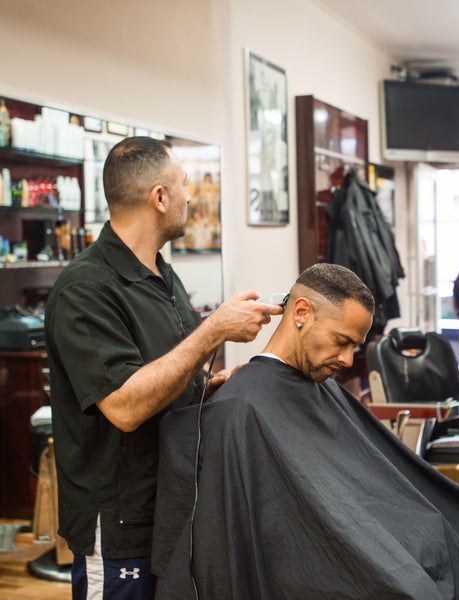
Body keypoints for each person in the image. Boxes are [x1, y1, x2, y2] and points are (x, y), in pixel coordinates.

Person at [151, 263, 459, 600]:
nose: (346, 360)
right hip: (340, 558)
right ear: (300, 313)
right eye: (341, 341)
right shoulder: (238, 409)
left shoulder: (320, 388)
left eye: (355, 347)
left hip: (390, 534)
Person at [44, 136, 283, 600]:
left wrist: (210, 387)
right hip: (120, 523)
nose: (190, 197)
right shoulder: (85, 289)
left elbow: (167, 375)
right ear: (159, 197)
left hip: (172, 507)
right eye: (184, 185)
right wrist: (213, 330)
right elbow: (126, 407)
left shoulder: (160, 276)